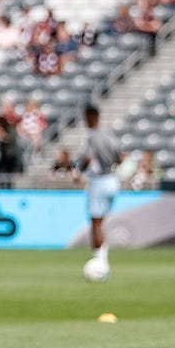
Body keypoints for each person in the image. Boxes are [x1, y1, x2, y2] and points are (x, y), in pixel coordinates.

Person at [73, 105, 122, 273]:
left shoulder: (92, 137)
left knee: (96, 221)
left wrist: (79, 171)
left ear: (89, 118)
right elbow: (121, 157)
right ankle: (103, 257)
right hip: (113, 179)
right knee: (102, 221)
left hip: (99, 180)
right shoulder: (110, 136)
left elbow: (87, 157)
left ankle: (100, 260)